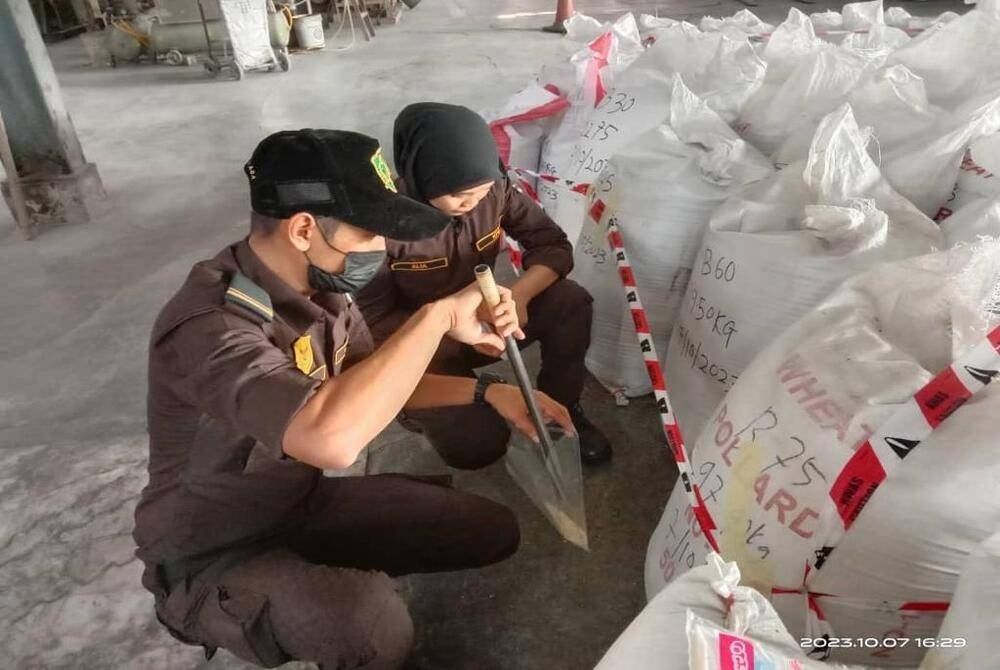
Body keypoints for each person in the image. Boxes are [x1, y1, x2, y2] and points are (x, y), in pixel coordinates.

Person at [132, 129, 575, 670]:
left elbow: (373, 379)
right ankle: (299, 605)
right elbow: (332, 441)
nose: (382, 249)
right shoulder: (211, 325)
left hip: (297, 504)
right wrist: (436, 318)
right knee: (368, 627)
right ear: (302, 229)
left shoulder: (326, 290)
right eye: (372, 232)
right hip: (212, 547)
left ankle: (313, 583)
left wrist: (491, 390)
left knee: (489, 530)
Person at [356, 102, 612, 467]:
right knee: (476, 446)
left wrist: (519, 296)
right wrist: (453, 329)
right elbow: (371, 322)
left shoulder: (494, 193)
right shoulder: (380, 226)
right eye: (459, 194)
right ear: (421, 175)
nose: (473, 201)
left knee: (569, 301)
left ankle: (560, 407)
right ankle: (415, 407)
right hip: (425, 346)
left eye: (483, 188)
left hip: (488, 319)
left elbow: (551, 244)